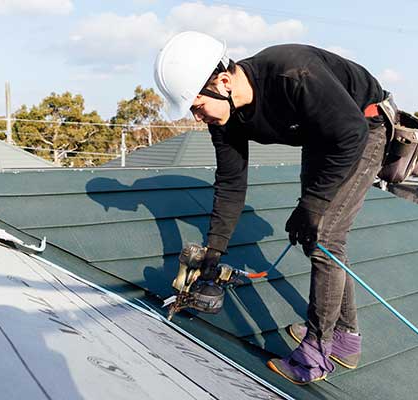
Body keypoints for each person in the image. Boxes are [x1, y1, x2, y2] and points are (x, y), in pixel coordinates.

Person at [154, 31, 390, 384]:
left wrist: (313, 203)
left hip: (363, 126)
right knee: (321, 237)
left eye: (198, 106)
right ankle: (345, 338)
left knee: (325, 235)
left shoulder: (292, 73)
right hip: (323, 134)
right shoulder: (225, 118)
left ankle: (315, 356)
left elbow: (350, 132)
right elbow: (231, 185)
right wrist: (214, 251)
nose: (198, 117)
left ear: (222, 81)